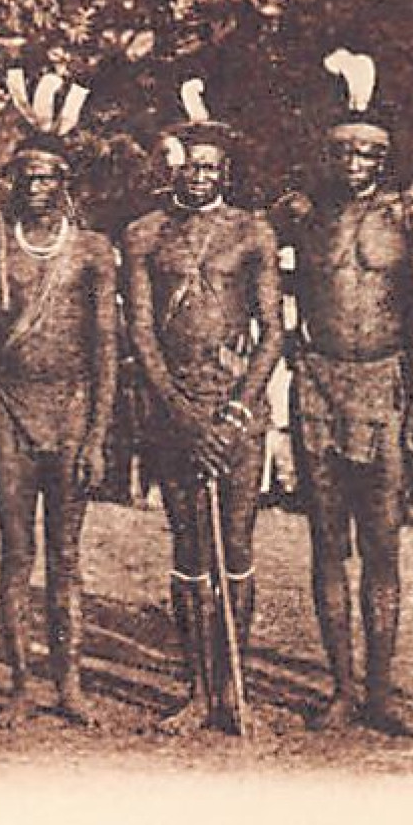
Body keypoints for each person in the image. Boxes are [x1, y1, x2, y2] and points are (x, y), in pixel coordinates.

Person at [271, 50, 413, 736]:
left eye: (366, 153)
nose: (353, 163)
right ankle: (340, 686)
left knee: (380, 544)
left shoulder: (407, 219)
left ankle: (379, 690)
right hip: (317, 382)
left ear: (383, 159)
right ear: (327, 155)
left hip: (383, 384)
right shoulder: (304, 216)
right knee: (325, 542)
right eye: (342, 151)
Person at [122, 78, 282, 733]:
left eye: (210, 168)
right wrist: (181, 414)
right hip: (172, 405)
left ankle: (231, 684)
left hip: (236, 404)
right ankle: (194, 686)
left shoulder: (252, 231)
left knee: (234, 544)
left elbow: (272, 331)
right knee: (188, 546)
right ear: (172, 168)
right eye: (189, 166)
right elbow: (139, 332)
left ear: (225, 171)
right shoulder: (143, 233)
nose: (198, 177)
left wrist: (237, 410)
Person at [0, 71, 117, 730]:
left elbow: (107, 348)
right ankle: (21, 684)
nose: (36, 188)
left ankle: (71, 682)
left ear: (64, 185)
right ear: (14, 183)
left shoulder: (91, 251)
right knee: (15, 551)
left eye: (48, 178)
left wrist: (97, 434)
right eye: (25, 177)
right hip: (6, 409)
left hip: (72, 407)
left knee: (66, 554)